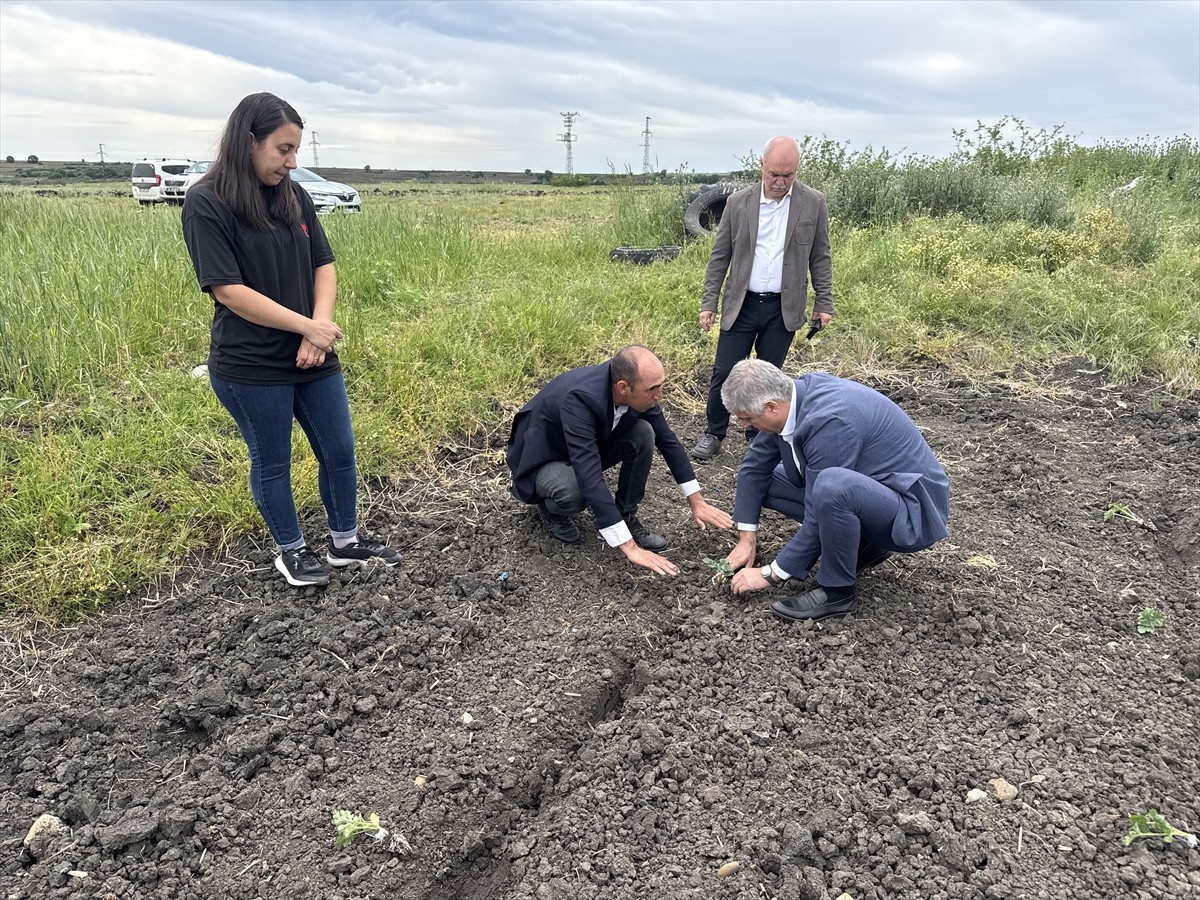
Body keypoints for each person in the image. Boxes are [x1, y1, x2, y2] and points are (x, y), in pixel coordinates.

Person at [181, 92, 398, 588]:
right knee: (273, 459)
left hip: (311, 351)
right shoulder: (205, 200)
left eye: (296, 150)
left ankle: (345, 542)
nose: (292, 162)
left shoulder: (292, 194)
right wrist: (305, 327)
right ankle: (292, 550)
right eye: (283, 149)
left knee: (340, 451)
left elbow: (324, 262)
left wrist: (317, 330)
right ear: (249, 141)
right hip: (251, 363)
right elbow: (229, 290)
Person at [720, 359, 949, 621]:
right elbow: (754, 469)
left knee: (832, 486)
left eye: (747, 419)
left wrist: (770, 574)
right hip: (874, 494)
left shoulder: (830, 420)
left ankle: (837, 592)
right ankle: (863, 545)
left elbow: (822, 503)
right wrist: (746, 539)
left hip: (910, 514)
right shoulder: (793, 399)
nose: (744, 426)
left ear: (771, 407)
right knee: (771, 480)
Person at [507, 345, 733, 576]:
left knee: (643, 432)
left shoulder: (633, 388)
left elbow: (668, 441)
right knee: (574, 491)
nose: (660, 395)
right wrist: (630, 548)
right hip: (544, 458)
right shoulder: (581, 399)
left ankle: (625, 514)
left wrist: (697, 501)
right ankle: (551, 510)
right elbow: (589, 473)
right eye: (653, 389)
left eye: (661, 386)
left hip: (582, 448)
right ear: (623, 387)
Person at [691, 136, 835, 461]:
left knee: (769, 376)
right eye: (774, 174)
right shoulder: (739, 203)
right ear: (762, 167)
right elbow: (719, 257)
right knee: (724, 371)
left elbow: (820, 256)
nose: (780, 182)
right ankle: (713, 433)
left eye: (788, 175)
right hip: (741, 304)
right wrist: (708, 303)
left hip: (783, 308)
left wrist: (824, 302)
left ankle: (757, 435)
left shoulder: (813, 203)